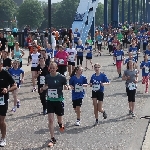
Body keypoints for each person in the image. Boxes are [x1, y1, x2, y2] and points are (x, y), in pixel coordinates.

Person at [40, 62, 70, 147]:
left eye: (54, 68)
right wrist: (43, 88)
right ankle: (52, 138)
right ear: (49, 68)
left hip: (59, 100)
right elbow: (46, 86)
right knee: (50, 120)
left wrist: (67, 87)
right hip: (50, 100)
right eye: (51, 68)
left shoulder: (61, 77)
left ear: (56, 68)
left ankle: (61, 124)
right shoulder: (47, 77)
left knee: (59, 120)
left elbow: (66, 84)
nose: (52, 69)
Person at [0, 58, 17, 147]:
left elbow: (15, 85)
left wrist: (8, 89)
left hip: (3, 100)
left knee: (2, 121)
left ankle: (3, 138)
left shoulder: (5, 74)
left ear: (1, 65)